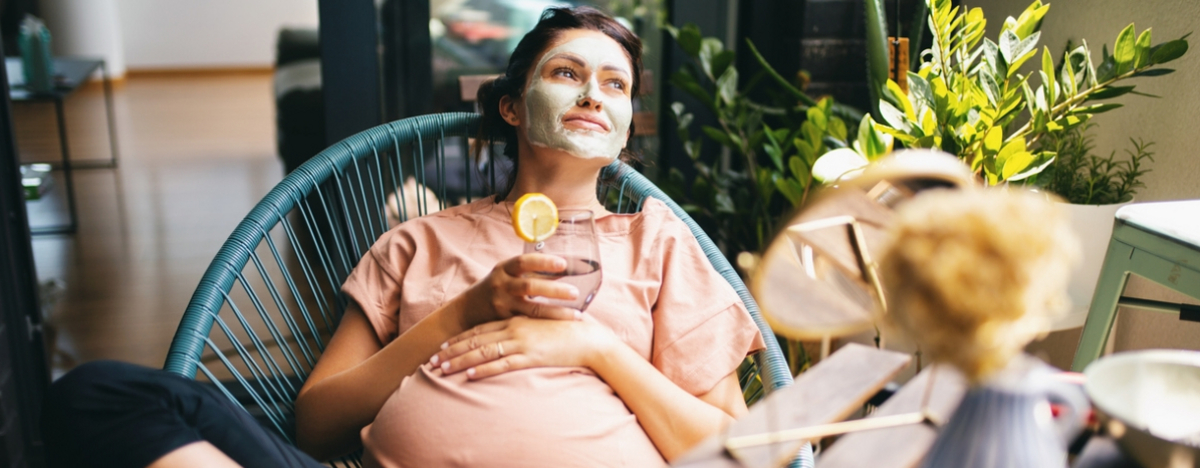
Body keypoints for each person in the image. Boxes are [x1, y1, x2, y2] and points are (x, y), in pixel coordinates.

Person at [43, 7, 764, 468]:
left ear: (624, 128)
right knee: (98, 394)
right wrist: (463, 313)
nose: (590, 95)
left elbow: (738, 453)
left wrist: (596, 349)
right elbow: (316, 427)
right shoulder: (416, 243)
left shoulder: (657, 243)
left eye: (614, 84)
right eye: (567, 73)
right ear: (512, 106)